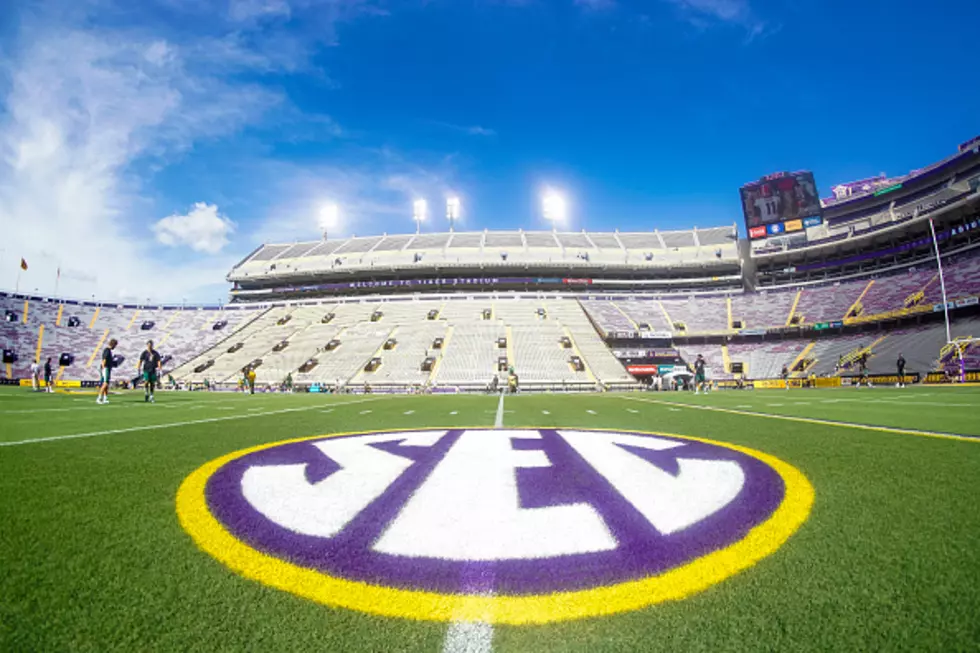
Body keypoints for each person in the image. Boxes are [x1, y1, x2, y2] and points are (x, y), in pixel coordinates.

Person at [97, 339, 118, 405]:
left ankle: (105, 398)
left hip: (107, 368)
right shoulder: (107, 350)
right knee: (105, 383)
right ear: (113, 344)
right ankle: (99, 398)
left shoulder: (109, 351)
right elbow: (104, 359)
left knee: (106, 384)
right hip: (105, 368)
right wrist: (103, 368)